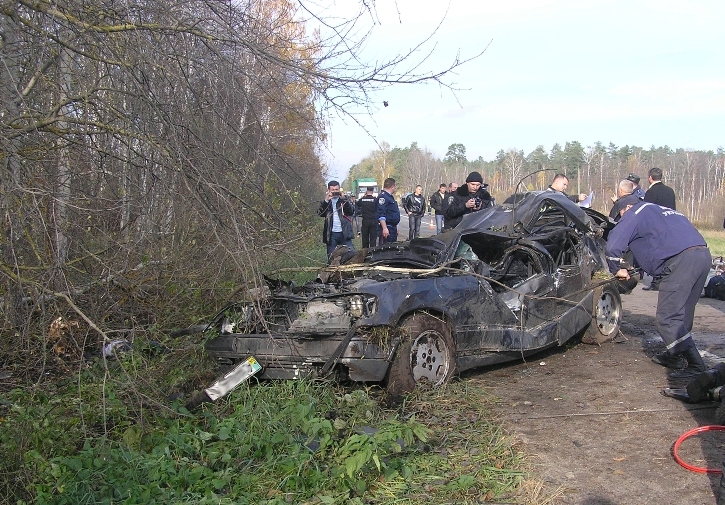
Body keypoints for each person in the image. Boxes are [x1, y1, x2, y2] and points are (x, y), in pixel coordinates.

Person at [606, 200, 711, 381]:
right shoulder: (659, 210)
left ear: (626, 208)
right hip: (702, 256)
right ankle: (675, 355)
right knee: (683, 312)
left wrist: (616, 268)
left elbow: (613, 245)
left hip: (681, 262)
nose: (622, 220)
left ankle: (696, 366)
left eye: (620, 216)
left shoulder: (635, 213)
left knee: (668, 317)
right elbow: (655, 243)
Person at [317, 180, 355, 258]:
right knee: (331, 257)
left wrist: (344, 200)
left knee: (351, 256)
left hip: (344, 233)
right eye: (333, 190)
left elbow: (351, 212)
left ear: (339, 189)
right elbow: (320, 213)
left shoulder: (344, 200)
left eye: (336, 190)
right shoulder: (326, 202)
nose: (335, 192)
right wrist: (326, 201)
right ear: (329, 190)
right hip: (331, 234)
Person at [376, 177, 400, 243]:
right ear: (392, 186)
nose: (395, 188)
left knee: (392, 249)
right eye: (395, 186)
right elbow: (381, 214)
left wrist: (395, 227)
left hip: (392, 227)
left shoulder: (389, 197)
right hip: (387, 228)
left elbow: (391, 213)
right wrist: (384, 228)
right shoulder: (383, 197)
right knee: (386, 249)